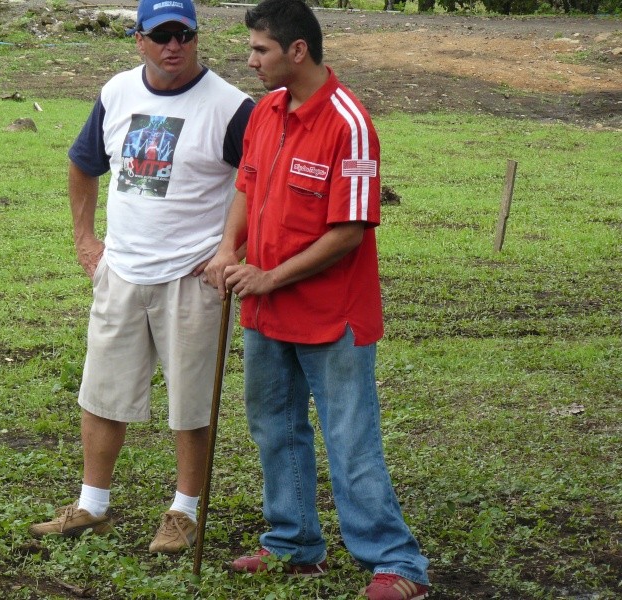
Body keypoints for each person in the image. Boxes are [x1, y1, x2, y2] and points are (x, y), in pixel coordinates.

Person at [204, 0, 430, 598]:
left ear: (296, 50)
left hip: (333, 317)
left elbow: (349, 232)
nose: (249, 60)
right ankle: (293, 545)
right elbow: (246, 188)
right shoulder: (266, 112)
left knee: (350, 437)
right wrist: (230, 250)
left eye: (260, 50)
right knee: (273, 426)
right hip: (267, 309)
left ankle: (396, 563)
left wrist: (270, 277)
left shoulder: (349, 124)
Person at [28, 0, 254, 554]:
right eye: (160, 36)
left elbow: (258, 186)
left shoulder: (232, 106)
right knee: (102, 391)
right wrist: (86, 241)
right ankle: (92, 505)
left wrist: (231, 251)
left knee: (192, 400)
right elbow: (83, 163)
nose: (173, 46)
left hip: (193, 276)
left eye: (184, 34)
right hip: (122, 269)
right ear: (139, 39)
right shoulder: (117, 92)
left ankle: (184, 512)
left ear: (198, 37)